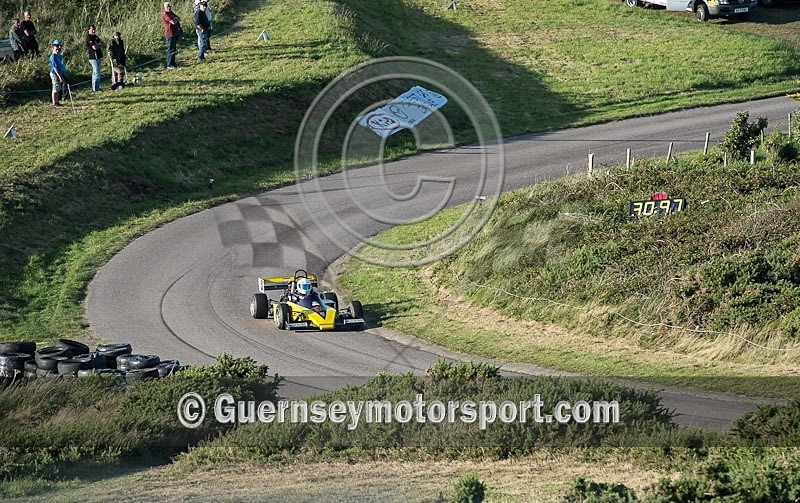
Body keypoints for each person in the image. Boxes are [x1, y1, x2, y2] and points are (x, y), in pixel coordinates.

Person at [85, 25, 104, 91]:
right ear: (88, 30)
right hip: (93, 57)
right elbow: (94, 47)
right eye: (92, 29)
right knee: (96, 72)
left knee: (97, 72)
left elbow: (103, 43)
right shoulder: (89, 37)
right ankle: (95, 88)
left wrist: (99, 44)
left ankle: (97, 87)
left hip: (98, 56)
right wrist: (99, 45)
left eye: (94, 29)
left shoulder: (95, 37)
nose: (93, 31)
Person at [162, 2, 180, 69]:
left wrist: (175, 19)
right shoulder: (165, 14)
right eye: (167, 6)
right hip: (169, 33)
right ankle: (169, 64)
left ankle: (173, 63)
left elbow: (178, 18)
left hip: (174, 33)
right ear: (165, 7)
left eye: (169, 6)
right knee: (170, 49)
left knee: (174, 49)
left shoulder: (171, 12)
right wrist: (175, 19)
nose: (169, 7)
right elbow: (173, 22)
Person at [49, 40, 67, 107]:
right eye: (57, 46)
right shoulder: (52, 57)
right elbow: (55, 67)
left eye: (59, 46)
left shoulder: (58, 55)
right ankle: (54, 103)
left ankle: (57, 101)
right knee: (55, 88)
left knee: (58, 88)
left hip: (59, 73)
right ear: (53, 46)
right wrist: (59, 76)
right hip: (55, 74)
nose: (59, 47)